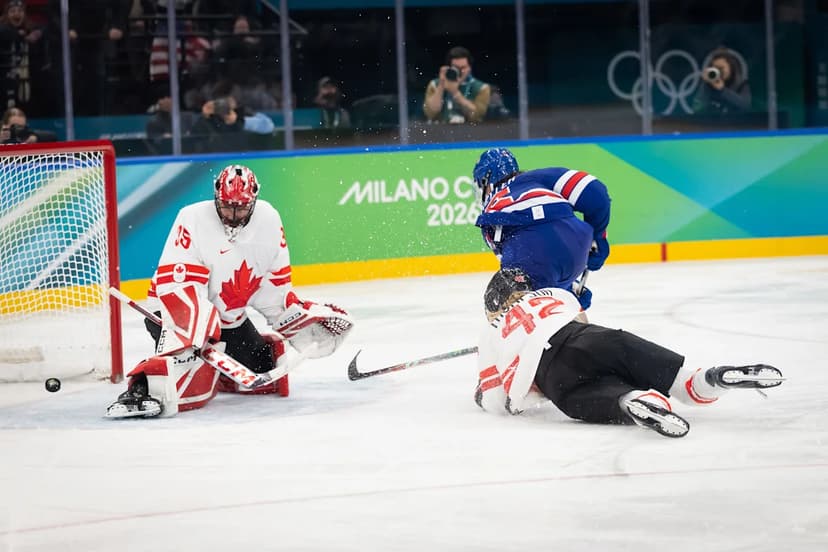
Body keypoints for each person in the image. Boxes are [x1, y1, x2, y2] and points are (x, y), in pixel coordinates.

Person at [106, 165, 354, 419]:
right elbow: (179, 287)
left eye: (242, 207)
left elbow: (272, 288)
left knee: (263, 368)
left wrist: (298, 321)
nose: (233, 214)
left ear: (253, 202)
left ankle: (215, 373)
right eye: (227, 206)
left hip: (227, 319)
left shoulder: (269, 221)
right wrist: (199, 337)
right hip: (174, 312)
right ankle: (140, 389)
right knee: (189, 386)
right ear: (216, 198)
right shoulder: (192, 218)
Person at [474, 267, 785, 438]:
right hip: (594, 339)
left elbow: (497, 402)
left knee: (616, 399)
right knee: (684, 384)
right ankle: (710, 378)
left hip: (557, 378)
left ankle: (636, 401)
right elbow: (580, 319)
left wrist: (485, 393)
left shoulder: (492, 333)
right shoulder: (553, 295)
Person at [472, 147, 611, 311]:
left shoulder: (491, 210)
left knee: (505, 299)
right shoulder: (538, 179)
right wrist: (598, 236)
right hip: (578, 240)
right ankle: (575, 319)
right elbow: (596, 193)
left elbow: (527, 265)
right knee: (558, 305)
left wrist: (562, 291)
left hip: (531, 253)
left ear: (486, 181)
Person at [423, 46, 491, 124]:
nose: (460, 71)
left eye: (463, 68)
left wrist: (455, 93)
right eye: (456, 68)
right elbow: (430, 113)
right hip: (440, 131)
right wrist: (441, 85)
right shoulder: (435, 84)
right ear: (449, 67)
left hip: (471, 132)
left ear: (470, 67)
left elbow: (476, 116)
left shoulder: (482, 88)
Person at [692, 47, 752, 117]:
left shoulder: (741, 84)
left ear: (730, 67)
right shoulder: (709, 84)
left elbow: (745, 106)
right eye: (715, 68)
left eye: (721, 68)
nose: (719, 71)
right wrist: (705, 83)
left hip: (735, 124)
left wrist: (723, 90)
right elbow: (697, 108)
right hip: (712, 124)